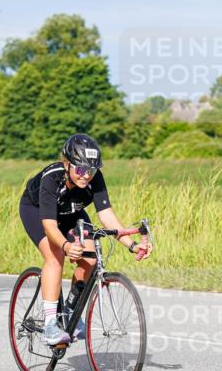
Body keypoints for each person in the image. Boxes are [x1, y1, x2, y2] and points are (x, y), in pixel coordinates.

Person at [19, 133, 152, 346]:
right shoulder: (51, 179)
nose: (86, 176)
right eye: (80, 169)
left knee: (90, 260)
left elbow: (107, 216)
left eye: (90, 170)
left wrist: (132, 245)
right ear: (66, 164)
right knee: (55, 258)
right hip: (37, 212)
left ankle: (71, 311)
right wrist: (65, 245)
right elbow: (50, 225)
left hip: (72, 213)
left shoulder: (94, 178)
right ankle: (52, 324)